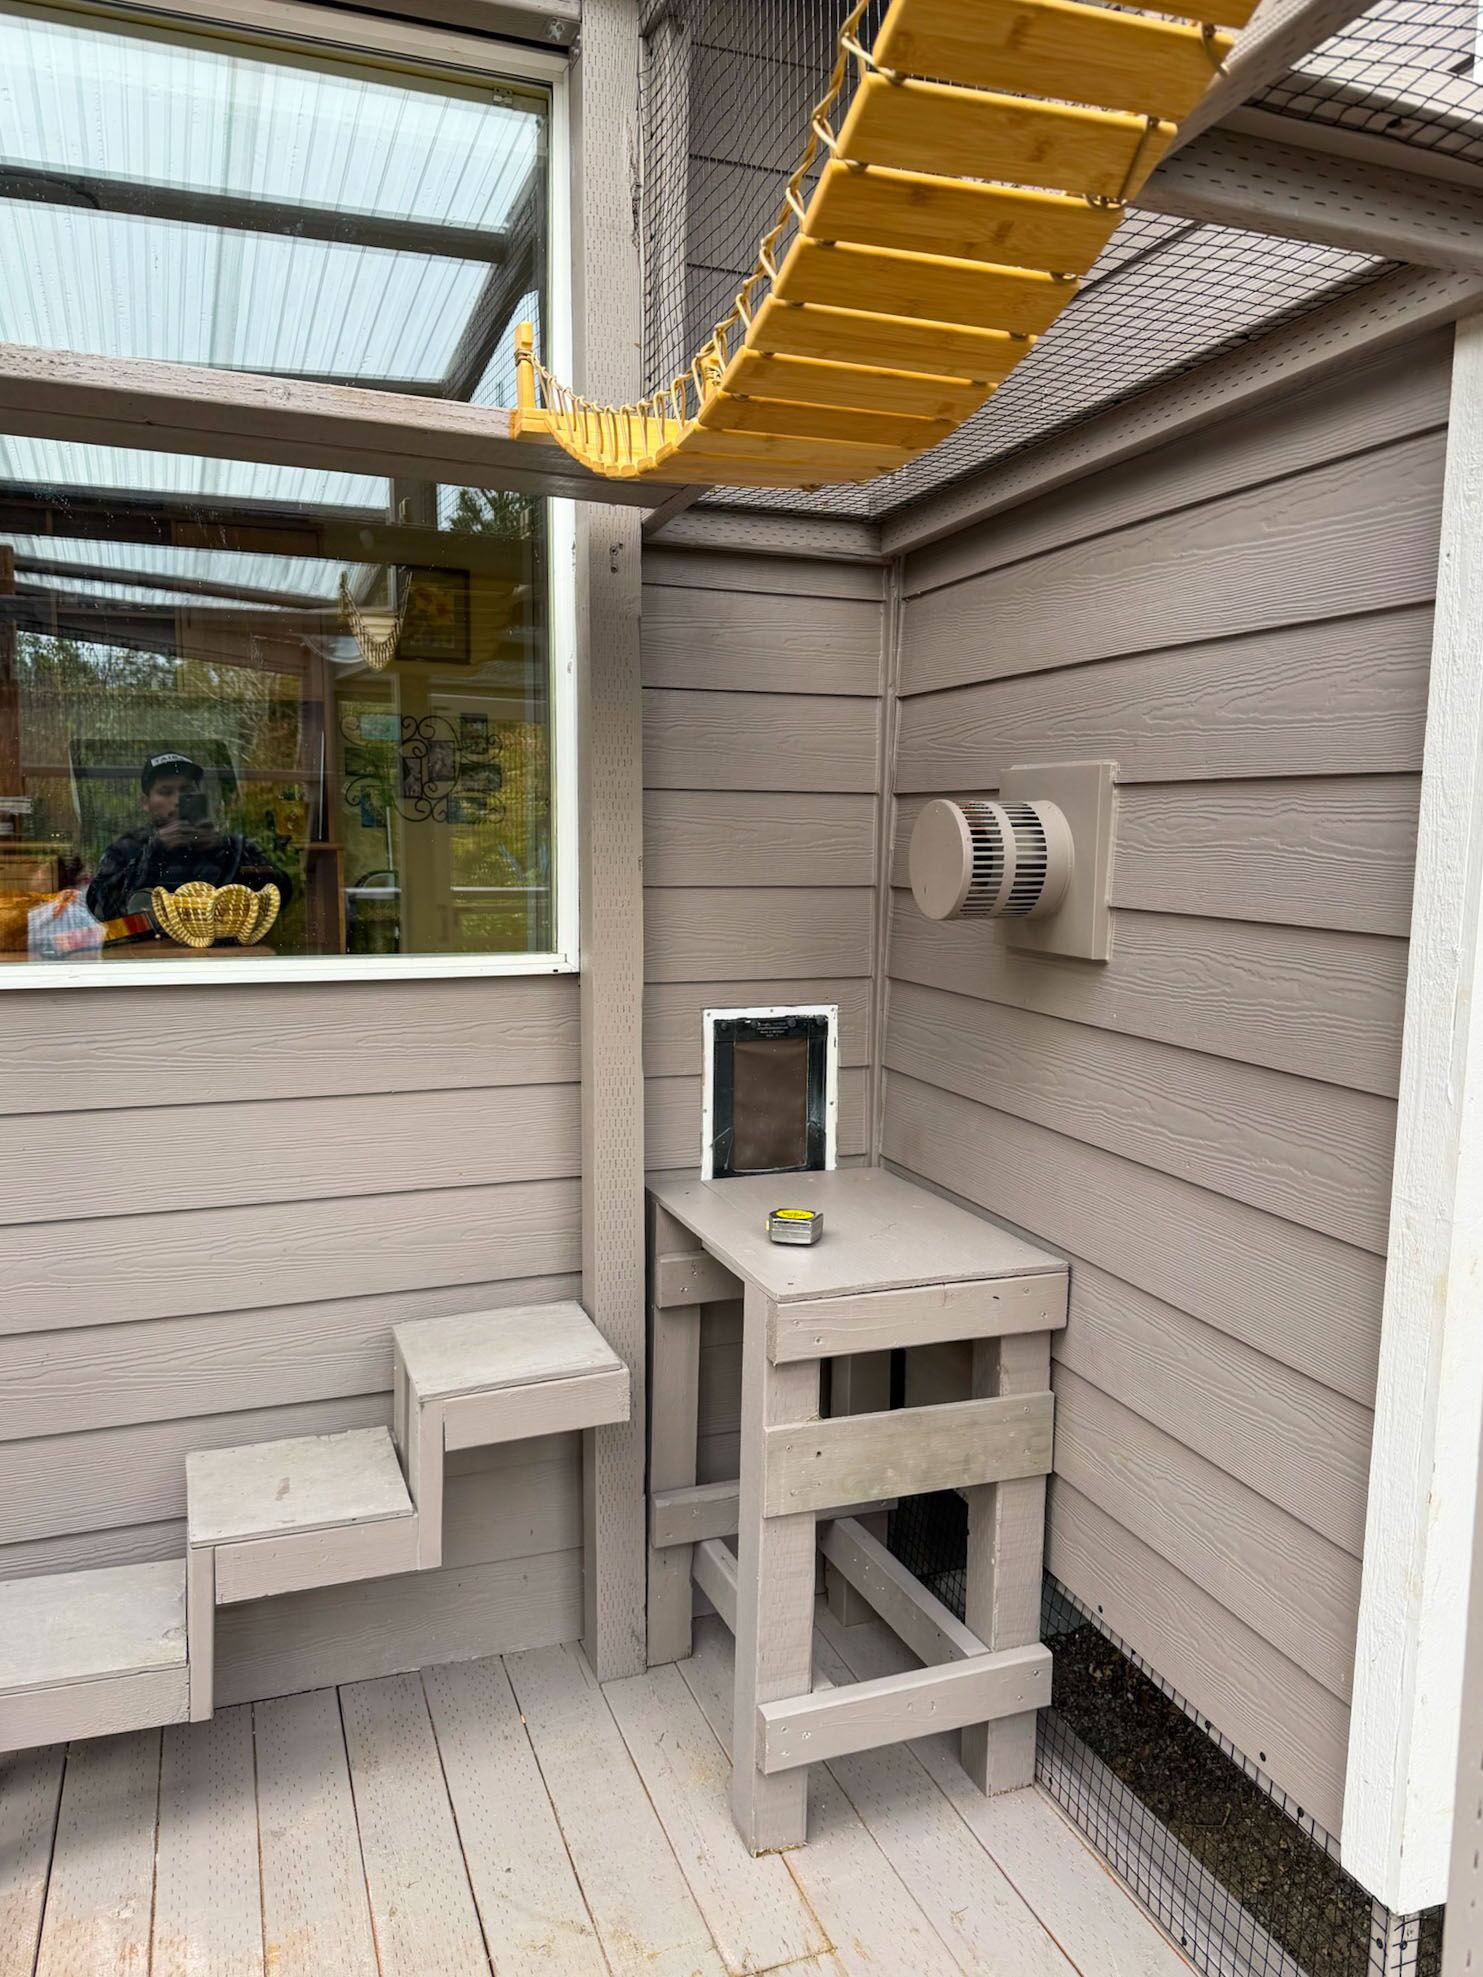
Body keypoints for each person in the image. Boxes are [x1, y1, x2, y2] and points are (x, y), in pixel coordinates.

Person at [86, 752, 294, 932]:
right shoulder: (128, 848)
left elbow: (279, 895)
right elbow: (100, 909)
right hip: (147, 958)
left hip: (222, 954)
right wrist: (155, 852)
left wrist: (223, 852)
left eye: (186, 791)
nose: (177, 801)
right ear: (146, 803)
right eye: (166, 792)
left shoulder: (233, 845)